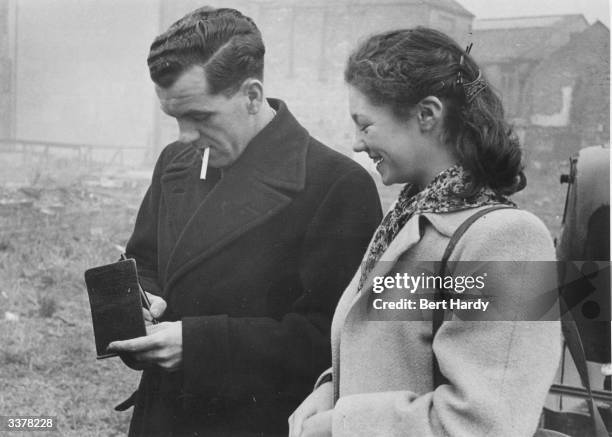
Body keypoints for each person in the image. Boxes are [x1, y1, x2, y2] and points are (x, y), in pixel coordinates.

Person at [106, 7, 382, 437]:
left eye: (200, 117)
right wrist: (144, 303)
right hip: (162, 419)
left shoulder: (337, 185)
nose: (185, 136)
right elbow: (144, 261)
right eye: (175, 119)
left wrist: (199, 347)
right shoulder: (175, 163)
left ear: (252, 96)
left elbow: (330, 342)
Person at [289, 27, 561, 437]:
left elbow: (488, 424)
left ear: (428, 115)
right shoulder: (408, 219)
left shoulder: (509, 239)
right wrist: (330, 390)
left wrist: (339, 426)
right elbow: (391, 357)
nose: (357, 144)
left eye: (365, 125)